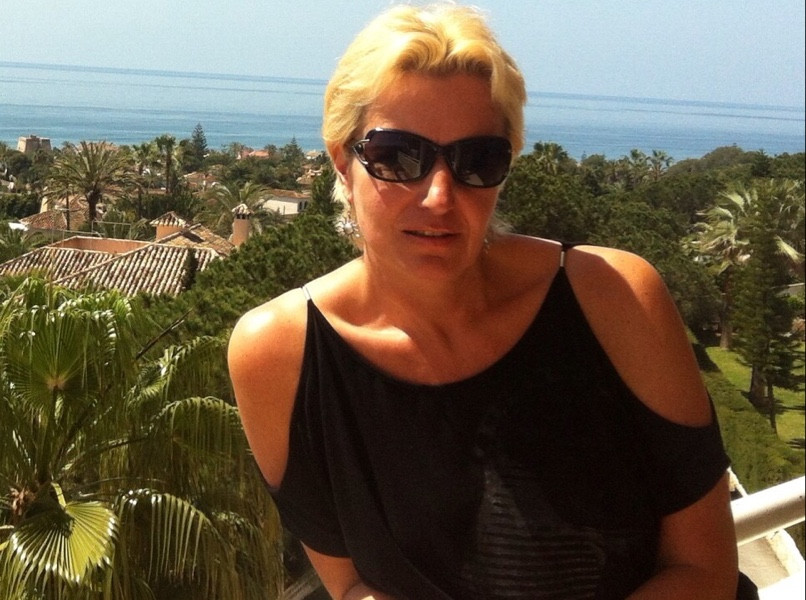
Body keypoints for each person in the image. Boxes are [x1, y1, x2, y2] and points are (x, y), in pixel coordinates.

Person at [228, 4, 739, 599]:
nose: (439, 196)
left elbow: (705, 570)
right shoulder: (280, 356)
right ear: (344, 162)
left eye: (477, 160)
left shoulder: (616, 299)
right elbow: (351, 585)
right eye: (398, 156)